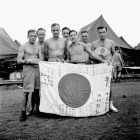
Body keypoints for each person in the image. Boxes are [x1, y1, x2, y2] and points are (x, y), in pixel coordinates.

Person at [17, 29, 43, 121]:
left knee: (36, 91)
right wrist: (26, 61)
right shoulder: (23, 46)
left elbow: (41, 59)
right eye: (31, 36)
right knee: (26, 92)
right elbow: (19, 60)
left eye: (35, 36)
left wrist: (31, 61)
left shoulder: (38, 47)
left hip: (36, 69)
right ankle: (23, 112)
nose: (33, 37)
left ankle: (38, 110)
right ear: (27, 36)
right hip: (27, 70)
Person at [91, 26, 118, 112]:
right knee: (97, 85)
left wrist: (112, 60)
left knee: (108, 85)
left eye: (103, 32)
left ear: (106, 32)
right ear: (98, 33)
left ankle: (110, 104)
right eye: (100, 32)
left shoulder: (111, 42)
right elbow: (91, 56)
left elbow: (114, 53)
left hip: (108, 66)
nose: (102, 34)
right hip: (98, 66)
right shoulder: (94, 43)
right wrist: (96, 60)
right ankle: (98, 104)